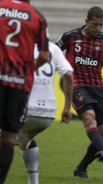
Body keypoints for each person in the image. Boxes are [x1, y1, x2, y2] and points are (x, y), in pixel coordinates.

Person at [55, 6, 103, 178]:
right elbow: (52, 53)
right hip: (76, 84)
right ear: (86, 21)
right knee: (89, 118)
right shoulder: (70, 37)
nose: (97, 29)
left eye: (101, 25)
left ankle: (81, 168)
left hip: (99, 88)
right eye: (94, 24)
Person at [0, 0, 49, 183]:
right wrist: (29, 70)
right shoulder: (37, 17)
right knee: (8, 138)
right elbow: (44, 55)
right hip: (19, 84)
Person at [17, 42, 73, 184]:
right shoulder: (53, 48)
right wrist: (67, 107)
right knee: (26, 140)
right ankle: (33, 181)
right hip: (47, 113)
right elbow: (68, 75)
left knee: (6, 138)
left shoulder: (18, 43)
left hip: (22, 108)